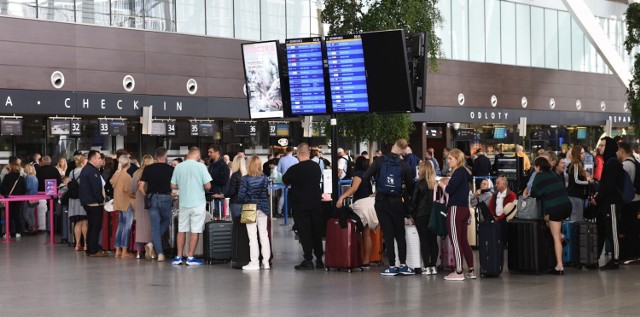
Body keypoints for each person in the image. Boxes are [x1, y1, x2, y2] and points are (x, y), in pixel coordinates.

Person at [362, 139, 415, 276]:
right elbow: (410, 186)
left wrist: (372, 191)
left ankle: (391, 266)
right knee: (400, 234)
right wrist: (405, 198)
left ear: (393, 146)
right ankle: (403, 265)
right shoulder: (404, 165)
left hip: (381, 202)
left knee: (389, 234)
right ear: (403, 150)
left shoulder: (379, 161)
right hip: (397, 202)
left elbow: (366, 176)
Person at [282, 143, 323, 270]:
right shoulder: (316, 167)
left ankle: (308, 259)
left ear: (298, 153)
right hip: (316, 203)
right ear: (309, 153)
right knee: (316, 231)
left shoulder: (295, 169)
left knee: (305, 232)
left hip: (300, 205)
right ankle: (319, 259)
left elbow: (285, 180)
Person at [530, 157, 572, 275]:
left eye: (535, 166)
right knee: (546, 220)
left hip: (555, 208)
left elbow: (534, 193)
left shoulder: (539, 176)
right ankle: (562, 235)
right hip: (566, 205)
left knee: (555, 238)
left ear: (538, 167)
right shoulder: (552, 174)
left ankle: (559, 266)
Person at [170, 147, 212, 266]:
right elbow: (208, 186)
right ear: (198, 156)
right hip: (198, 203)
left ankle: (178, 256)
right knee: (195, 230)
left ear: (188, 155)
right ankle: (190, 257)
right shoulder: (201, 166)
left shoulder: (178, 166)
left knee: (181, 229)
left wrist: (183, 185)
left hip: (183, 203)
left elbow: (173, 185)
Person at [438, 148, 474, 281]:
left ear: (457, 160)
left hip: (455, 209)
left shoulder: (458, 172)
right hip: (464, 209)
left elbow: (449, 189)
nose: (448, 161)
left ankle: (459, 271)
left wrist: (441, 183)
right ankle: (470, 269)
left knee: (455, 240)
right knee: (463, 240)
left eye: (450, 159)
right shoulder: (465, 172)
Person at [336, 156, 376, 268]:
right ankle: (366, 261)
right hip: (369, 204)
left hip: (361, 205)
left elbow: (354, 188)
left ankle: (355, 258)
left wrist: (341, 197)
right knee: (367, 234)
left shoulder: (358, 174)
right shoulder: (369, 174)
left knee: (356, 231)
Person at [590, 137, 624, 270]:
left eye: (603, 145)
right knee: (604, 230)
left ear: (609, 147)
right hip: (606, 203)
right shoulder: (609, 162)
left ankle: (615, 260)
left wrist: (597, 199)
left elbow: (608, 185)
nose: (600, 148)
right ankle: (596, 258)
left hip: (612, 203)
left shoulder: (612, 163)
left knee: (613, 231)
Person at [139, 147, 175, 262]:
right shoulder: (171, 169)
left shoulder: (148, 169)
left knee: (154, 226)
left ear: (155, 156)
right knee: (165, 220)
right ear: (165, 156)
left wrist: (147, 196)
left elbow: (140, 187)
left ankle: (159, 253)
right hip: (166, 197)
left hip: (152, 197)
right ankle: (152, 245)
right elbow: (173, 186)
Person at [237, 156, 271, 270]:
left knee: (252, 237)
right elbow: (265, 194)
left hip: (249, 208)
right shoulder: (265, 178)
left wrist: (248, 199)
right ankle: (266, 262)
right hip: (263, 208)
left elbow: (241, 196)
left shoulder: (245, 179)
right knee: (264, 235)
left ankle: (254, 262)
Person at [409, 161, 439, 275]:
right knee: (433, 240)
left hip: (421, 215)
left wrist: (409, 214)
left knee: (424, 240)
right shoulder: (435, 184)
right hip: (433, 215)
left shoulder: (419, 183)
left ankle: (426, 266)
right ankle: (434, 266)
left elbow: (413, 201)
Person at [79, 150, 107, 257]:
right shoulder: (92, 171)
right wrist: (101, 201)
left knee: (92, 227)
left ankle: (90, 249)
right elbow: (96, 189)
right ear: (93, 159)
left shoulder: (87, 169)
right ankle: (94, 250)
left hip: (89, 202)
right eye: (99, 158)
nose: (101, 160)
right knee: (95, 227)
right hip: (94, 203)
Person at [617, 142, 640, 264]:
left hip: (629, 201)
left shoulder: (626, 165)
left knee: (627, 228)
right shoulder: (635, 162)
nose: (616, 153)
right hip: (636, 200)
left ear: (622, 151)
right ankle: (635, 253)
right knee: (634, 228)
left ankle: (628, 254)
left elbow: (624, 184)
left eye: (617, 151)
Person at [110, 155, 135, 258]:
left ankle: (117, 250)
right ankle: (124, 251)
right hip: (126, 204)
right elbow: (129, 191)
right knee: (127, 227)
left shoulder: (116, 175)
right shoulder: (127, 176)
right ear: (128, 164)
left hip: (118, 203)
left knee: (120, 226)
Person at [130, 154, 153, 259]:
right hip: (151, 200)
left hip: (140, 202)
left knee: (140, 226)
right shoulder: (153, 172)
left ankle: (139, 252)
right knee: (152, 226)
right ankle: (152, 250)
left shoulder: (136, 173)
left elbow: (132, 189)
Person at [213, 155, 247, 220]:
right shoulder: (247, 175)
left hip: (236, 202)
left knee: (236, 224)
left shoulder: (235, 175)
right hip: (246, 203)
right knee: (245, 225)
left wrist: (222, 195)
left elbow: (232, 191)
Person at [567, 146, 593, 222]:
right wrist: (588, 182)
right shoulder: (575, 165)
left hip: (577, 196)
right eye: (581, 153)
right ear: (577, 154)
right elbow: (576, 181)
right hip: (575, 195)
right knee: (577, 219)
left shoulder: (578, 165)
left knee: (578, 218)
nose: (583, 155)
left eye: (584, 153)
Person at [68, 154, 88, 251]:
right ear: (83, 162)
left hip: (72, 200)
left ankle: (77, 244)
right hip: (82, 198)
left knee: (77, 222)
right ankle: (86, 244)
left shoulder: (71, 172)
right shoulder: (85, 172)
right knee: (84, 221)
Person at [1, 163, 26, 237]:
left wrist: (4, 193)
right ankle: (18, 232)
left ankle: (7, 232)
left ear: (11, 168)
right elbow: (24, 189)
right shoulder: (21, 178)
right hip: (18, 199)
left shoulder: (7, 176)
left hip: (8, 198)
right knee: (17, 215)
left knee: (8, 215)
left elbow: (2, 188)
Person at [207, 144, 230, 216]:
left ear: (217, 152)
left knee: (220, 217)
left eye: (211, 152)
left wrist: (210, 178)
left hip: (219, 195)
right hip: (211, 194)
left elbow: (224, 181)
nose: (209, 154)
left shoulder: (223, 165)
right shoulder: (211, 164)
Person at [277, 146, 298, 217]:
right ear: (292, 151)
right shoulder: (295, 160)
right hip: (294, 180)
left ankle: (279, 212)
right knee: (293, 196)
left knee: (283, 196)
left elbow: (278, 170)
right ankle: (292, 211)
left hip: (284, 179)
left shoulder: (282, 159)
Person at [22, 164, 38, 234]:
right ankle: (33, 228)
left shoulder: (28, 177)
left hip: (29, 197)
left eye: (25, 168)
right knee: (32, 214)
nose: (23, 169)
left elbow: (28, 187)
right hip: (35, 197)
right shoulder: (35, 177)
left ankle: (33, 227)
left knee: (25, 214)